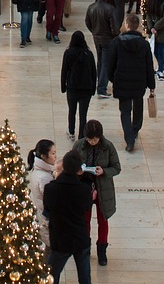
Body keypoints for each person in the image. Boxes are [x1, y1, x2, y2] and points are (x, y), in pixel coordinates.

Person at [73, 120, 121, 267]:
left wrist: (104, 171)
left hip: (103, 189)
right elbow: (70, 164)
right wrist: (78, 171)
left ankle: (102, 251)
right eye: (89, 139)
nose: (92, 142)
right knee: (85, 220)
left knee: (103, 220)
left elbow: (117, 167)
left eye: (94, 139)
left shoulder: (108, 147)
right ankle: (85, 250)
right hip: (84, 188)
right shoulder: (79, 145)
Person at [42, 151, 93, 284]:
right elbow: (87, 208)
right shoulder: (84, 190)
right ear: (79, 170)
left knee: (51, 275)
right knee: (85, 277)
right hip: (80, 238)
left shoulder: (50, 188)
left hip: (60, 239)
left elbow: (47, 210)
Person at [107, 12, 155, 152]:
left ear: (127, 25)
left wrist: (113, 79)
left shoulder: (117, 43)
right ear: (137, 26)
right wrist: (151, 85)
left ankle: (129, 139)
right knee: (138, 107)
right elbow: (149, 66)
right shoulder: (144, 45)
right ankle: (135, 129)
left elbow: (111, 64)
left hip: (122, 82)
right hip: (139, 82)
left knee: (125, 111)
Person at [60, 31, 97, 141]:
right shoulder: (88, 54)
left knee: (72, 111)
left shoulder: (68, 53)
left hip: (72, 87)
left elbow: (64, 71)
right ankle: (81, 136)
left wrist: (63, 86)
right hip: (86, 89)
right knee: (83, 114)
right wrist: (93, 88)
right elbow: (93, 73)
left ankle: (71, 132)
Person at [85, 0, 121, 99]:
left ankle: (99, 83)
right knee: (106, 63)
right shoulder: (110, 9)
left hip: (97, 38)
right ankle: (101, 88)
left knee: (100, 61)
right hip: (108, 39)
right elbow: (114, 28)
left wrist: (94, 31)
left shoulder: (91, 7)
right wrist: (116, 36)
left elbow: (87, 22)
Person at [27, 139, 58, 257]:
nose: (55, 156)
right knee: (50, 255)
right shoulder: (44, 178)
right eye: (53, 153)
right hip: (45, 221)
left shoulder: (40, 170)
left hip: (41, 217)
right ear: (44, 156)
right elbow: (52, 200)